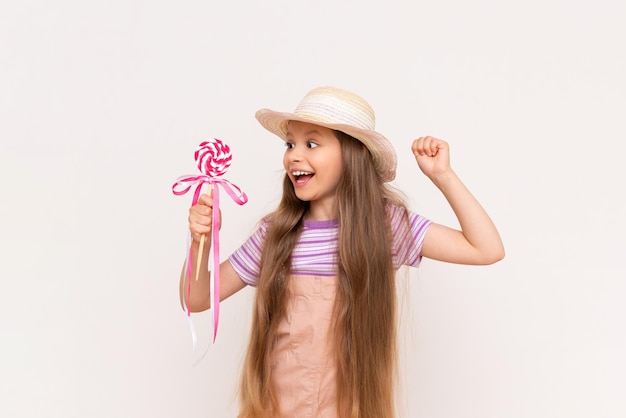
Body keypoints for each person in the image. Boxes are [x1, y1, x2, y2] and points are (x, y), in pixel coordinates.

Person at [180, 86, 504, 417]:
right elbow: (196, 298)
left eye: (312, 143)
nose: (293, 155)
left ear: (355, 154)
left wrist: (443, 176)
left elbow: (486, 248)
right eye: (290, 143)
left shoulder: (384, 227)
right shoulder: (275, 234)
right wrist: (200, 241)